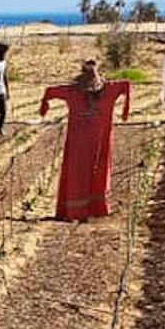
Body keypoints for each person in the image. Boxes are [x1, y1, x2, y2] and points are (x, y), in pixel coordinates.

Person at [39, 60, 131, 221]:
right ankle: (90, 209)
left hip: (80, 143)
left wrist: (44, 106)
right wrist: (125, 111)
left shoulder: (72, 91)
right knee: (94, 172)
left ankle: (81, 211)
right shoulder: (108, 89)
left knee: (79, 174)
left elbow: (49, 92)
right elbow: (126, 86)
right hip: (96, 141)